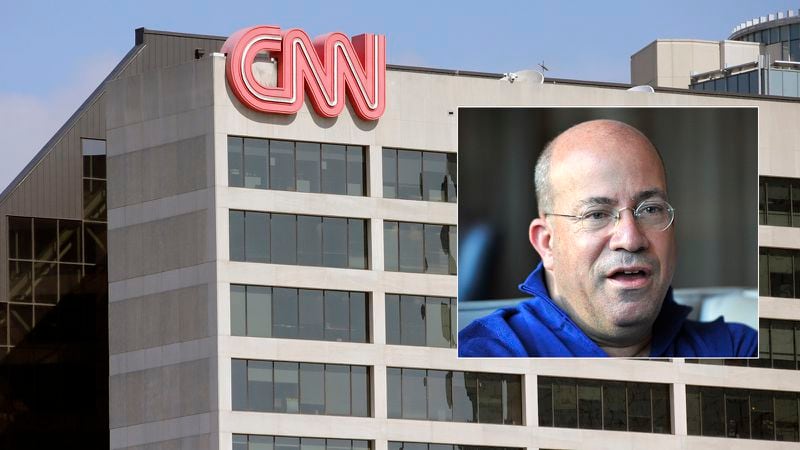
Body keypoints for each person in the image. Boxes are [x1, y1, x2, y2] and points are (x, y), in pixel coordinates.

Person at [458, 119, 757, 357]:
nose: (630, 239)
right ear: (547, 243)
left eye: (650, 209)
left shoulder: (738, 349)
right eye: (596, 214)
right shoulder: (485, 356)